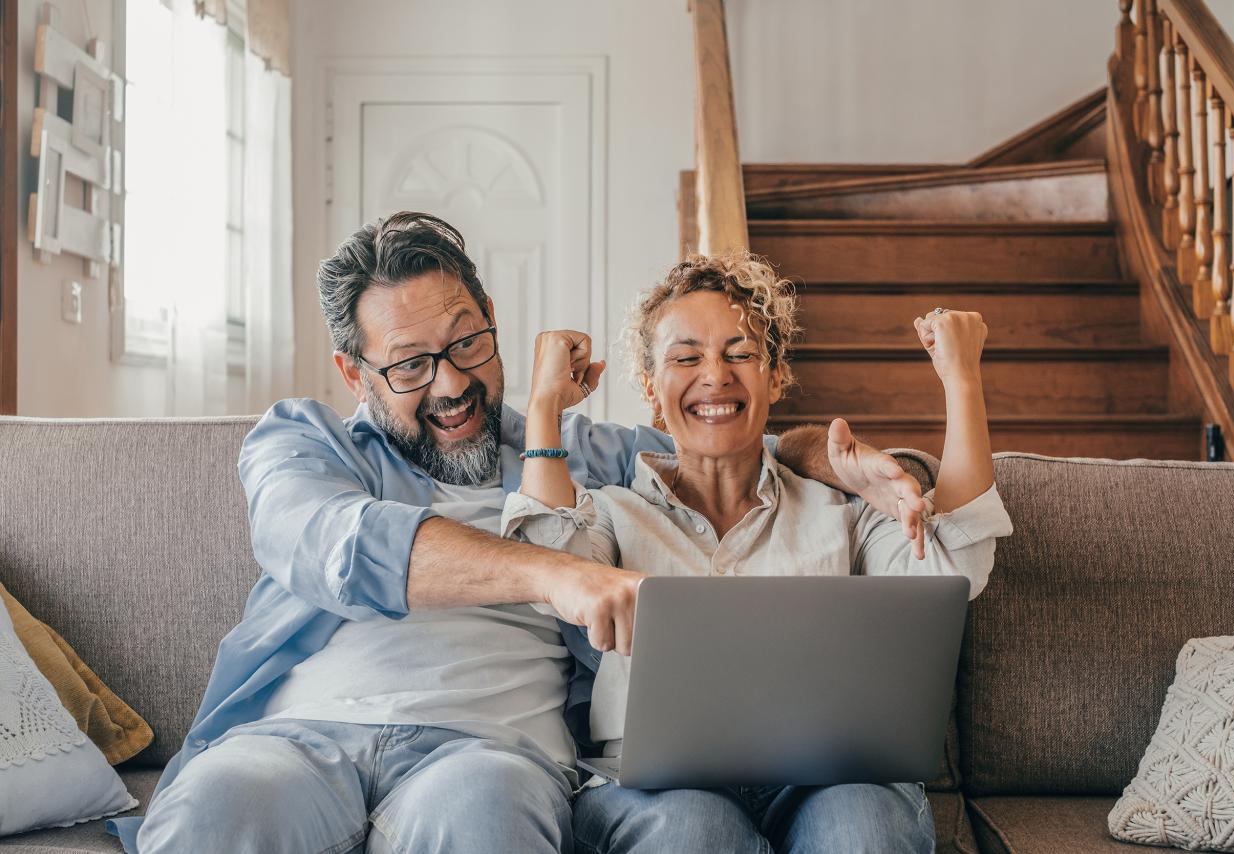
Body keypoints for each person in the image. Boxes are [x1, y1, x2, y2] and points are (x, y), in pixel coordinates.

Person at [108, 213, 930, 854]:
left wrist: (848, 460)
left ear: (493, 320)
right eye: (410, 364)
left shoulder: (579, 454)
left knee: (486, 816)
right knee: (215, 806)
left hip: (489, 749)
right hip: (300, 735)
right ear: (354, 373)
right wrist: (554, 574)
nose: (451, 383)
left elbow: (723, 438)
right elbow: (339, 543)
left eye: (467, 342)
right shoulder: (306, 444)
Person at [503, 251, 1015, 853]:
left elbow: (954, 566)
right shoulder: (614, 515)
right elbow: (548, 565)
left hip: (829, 777)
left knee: (865, 828)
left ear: (775, 378)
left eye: (740, 353)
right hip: (660, 790)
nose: (715, 375)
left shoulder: (841, 509)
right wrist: (544, 406)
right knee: (692, 833)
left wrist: (962, 379)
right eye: (686, 358)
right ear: (650, 388)